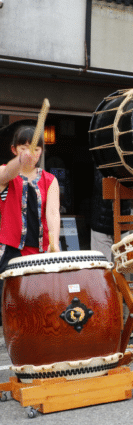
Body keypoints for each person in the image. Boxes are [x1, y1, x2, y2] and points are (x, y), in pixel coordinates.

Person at [0, 123, 61, 325]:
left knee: (40, 306)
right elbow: (6, 173)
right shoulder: (6, 175)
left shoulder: (50, 180)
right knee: (10, 307)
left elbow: (52, 213)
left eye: (35, 148)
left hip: (40, 252)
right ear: (14, 149)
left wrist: (55, 244)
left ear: (42, 151)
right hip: (10, 252)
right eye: (24, 148)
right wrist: (18, 161)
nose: (30, 153)